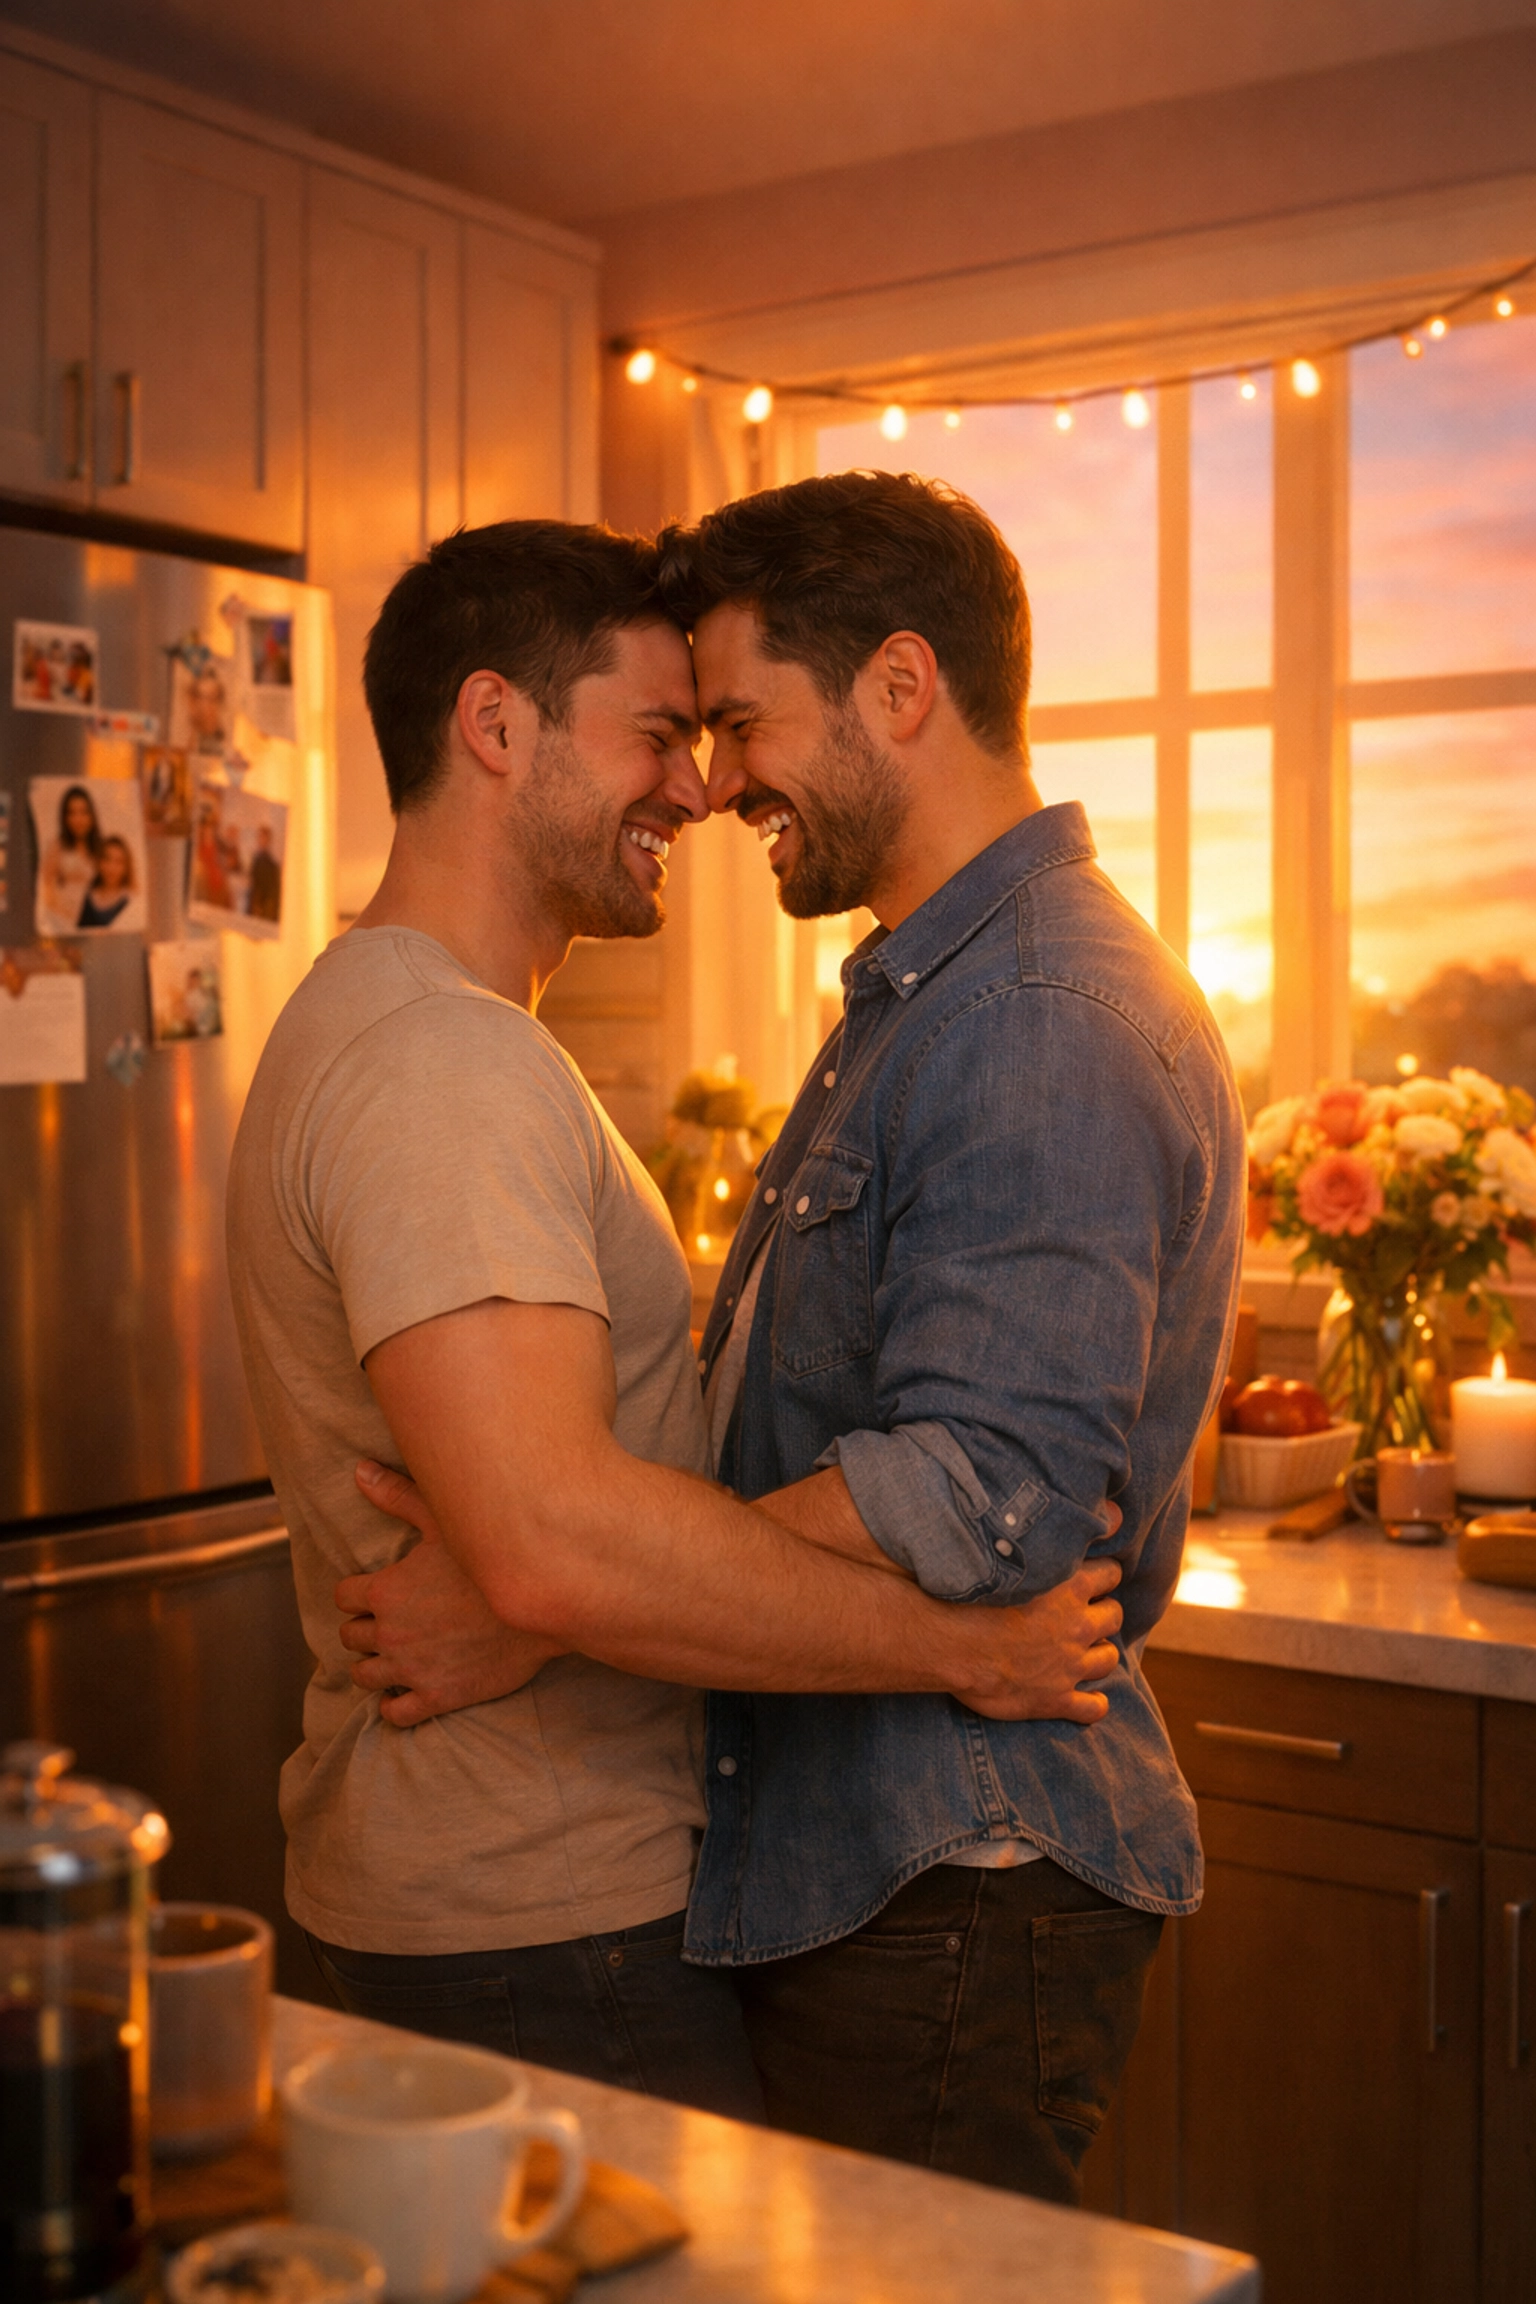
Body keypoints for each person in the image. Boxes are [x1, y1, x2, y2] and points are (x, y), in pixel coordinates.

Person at [345, 475, 1247, 2203]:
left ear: (900, 689)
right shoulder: (936, 992)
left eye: (744, 719)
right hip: (896, 1859)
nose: (717, 779)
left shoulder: (1033, 1014)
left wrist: (560, 1604)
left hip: (954, 1872)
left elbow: (990, 1492)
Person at [39, 784, 101, 931]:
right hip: (61, 920)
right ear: (65, 818)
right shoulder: (57, 846)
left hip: (94, 922)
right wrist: (59, 918)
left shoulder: (100, 848)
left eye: (83, 812)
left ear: (92, 815)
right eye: (72, 813)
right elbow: (45, 885)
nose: (78, 819)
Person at [77, 834, 136, 929]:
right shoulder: (90, 897)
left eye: (118, 862)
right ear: (99, 862)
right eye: (107, 859)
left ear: (126, 868)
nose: (111, 867)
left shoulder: (131, 900)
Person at [247, 823, 282, 922]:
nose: (260, 840)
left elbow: (270, 890)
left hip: (263, 907)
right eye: (259, 837)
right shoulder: (256, 859)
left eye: (262, 837)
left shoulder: (271, 864)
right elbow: (252, 881)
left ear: (268, 840)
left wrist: (260, 905)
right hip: (254, 903)